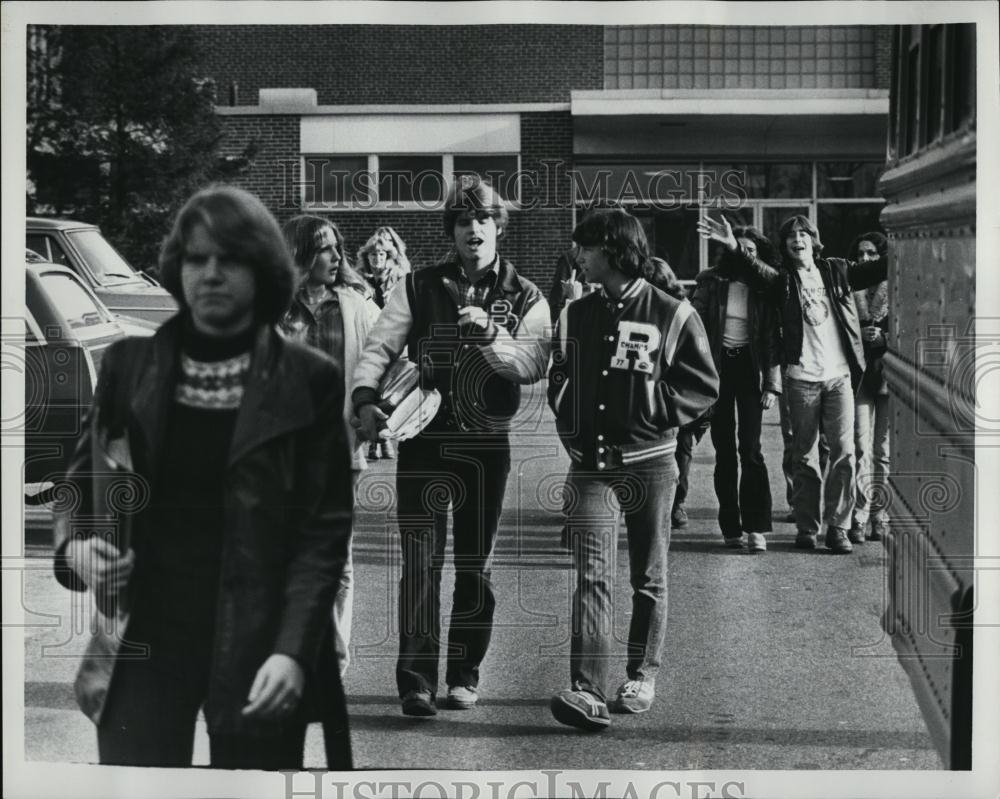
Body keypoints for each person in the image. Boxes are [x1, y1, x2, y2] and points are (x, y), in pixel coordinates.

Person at [52, 185, 353, 769]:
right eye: (196, 258)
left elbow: (322, 534)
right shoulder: (128, 367)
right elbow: (77, 484)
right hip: (142, 635)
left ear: (263, 269)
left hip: (259, 638)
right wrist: (76, 548)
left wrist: (293, 651)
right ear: (177, 267)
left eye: (230, 258)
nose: (210, 273)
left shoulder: (307, 380)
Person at [351, 174, 550, 717]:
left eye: (483, 218)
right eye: (463, 220)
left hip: (487, 444)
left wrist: (491, 335)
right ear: (452, 230)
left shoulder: (526, 294)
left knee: (475, 565)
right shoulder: (417, 286)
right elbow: (378, 349)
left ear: (499, 226)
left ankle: (464, 674)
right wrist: (365, 398)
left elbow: (534, 364)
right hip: (424, 441)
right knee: (420, 562)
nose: (473, 229)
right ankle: (416, 681)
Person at [548, 209, 718, 730]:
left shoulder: (672, 311)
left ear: (613, 250)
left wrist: (653, 409)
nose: (578, 256)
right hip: (590, 466)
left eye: (586, 247)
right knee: (591, 576)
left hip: (651, 463)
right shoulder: (575, 313)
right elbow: (559, 374)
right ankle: (587, 690)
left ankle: (642, 674)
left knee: (648, 575)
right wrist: (567, 412)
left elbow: (703, 386)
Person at [698, 213, 887, 554]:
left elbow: (879, 269)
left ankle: (839, 527)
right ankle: (807, 527)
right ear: (785, 245)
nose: (798, 240)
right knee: (804, 457)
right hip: (800, 378)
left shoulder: (838, 270)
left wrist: (907, 231)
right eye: (791, 236)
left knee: (844, 453)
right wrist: (732, 246)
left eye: (804, 234)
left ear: (814, 241)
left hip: (839, 377)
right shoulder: (782, 280)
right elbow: (757, 273)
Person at [280, 215, 381, 677]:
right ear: (301, 253)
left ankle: (333, 661)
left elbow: (384, 359)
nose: (337, 256)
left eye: (338, 247)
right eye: (325, 248)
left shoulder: (356, 305)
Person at [691, 225, 782, 552]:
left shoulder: (765, 287)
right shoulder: (711, 281)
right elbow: (694, 325)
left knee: (751, 450)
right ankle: (731, 527)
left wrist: (772, 383)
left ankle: (756, 527)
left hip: (750, 369)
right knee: (724, 453)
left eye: (751, 251)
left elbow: (771, 339)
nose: (745, 255)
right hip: (718, 370)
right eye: (739, 249)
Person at [645, 257, 710, 530]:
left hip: (675, 394)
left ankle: (677, 504)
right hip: (650, 393)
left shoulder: (681, 311)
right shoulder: (638, 309)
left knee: (681, 449)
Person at [356, 226, 412, 460]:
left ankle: (384, 438)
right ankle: (375, 441)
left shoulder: (400, 279)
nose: (377, 259)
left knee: (389, 392)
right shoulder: (359, 281)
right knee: (371, 390)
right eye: (372, 254)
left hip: (393, 343)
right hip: (369, 342)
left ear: (390, 255)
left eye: (382, 254)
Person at [849, 231, 891, 543]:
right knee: (860, 447)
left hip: (888, 376)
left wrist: (884, 338)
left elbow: (912, 326)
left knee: (883, 450)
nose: (865, 259)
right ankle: (860, 515)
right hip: (861, 375)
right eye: (860, 253)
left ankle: (880, 515)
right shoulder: (850, 287)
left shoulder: (898, 285)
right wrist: (860, 336)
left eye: (871, 254)